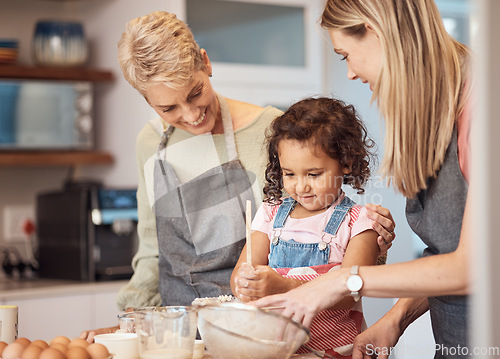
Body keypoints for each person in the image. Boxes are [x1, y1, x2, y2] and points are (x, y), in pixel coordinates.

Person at [80, 10, 397, 341]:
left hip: (254, 331)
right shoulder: (150, 144)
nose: (190, 115)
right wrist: (134, 324)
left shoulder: (271, 130)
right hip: (178, 330)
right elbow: (150, 250)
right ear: (147, 100)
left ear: (206, 63)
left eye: (194, 93)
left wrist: (374, 242)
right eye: (168, 109)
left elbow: (318, 224)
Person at [253, 1, 473, 358]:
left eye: (344, 55)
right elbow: (447, 255)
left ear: (376, 30)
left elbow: (475, 265)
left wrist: (345, 277)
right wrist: (397, 319)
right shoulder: (440, 106)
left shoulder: (482, 104)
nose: (351, 73)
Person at [231, 97, 381, 357]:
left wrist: (284, 287)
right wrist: (245, 283)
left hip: (334, 351)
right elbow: (238, 278)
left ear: (345, 163)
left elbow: (351, 291)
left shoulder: (359, 221)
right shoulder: (270, 212)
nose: (301, 187)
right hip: (278, 351)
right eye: (290, 174)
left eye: (314, 174)